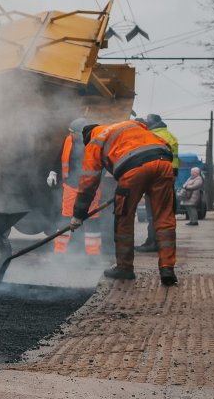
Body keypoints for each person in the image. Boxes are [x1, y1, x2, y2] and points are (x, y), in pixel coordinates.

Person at [71, 117, 177, 285]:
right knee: (164, 218)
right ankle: (167, 268)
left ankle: (125, 268)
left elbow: (88, 182)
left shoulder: (94, 141)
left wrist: (78, 213)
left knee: (124, 219)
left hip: (133, 170)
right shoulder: (129, 125)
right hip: (163, 161)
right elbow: (157, 141)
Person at [49, 117, 102, 257]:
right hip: (70, 186)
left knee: (92, 220)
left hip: (90, 188)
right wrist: (53, 172)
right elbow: (59, 157)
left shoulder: (94, 143)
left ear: (81, 133)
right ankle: (59, 251)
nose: (71, 135)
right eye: (70, 132)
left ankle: (93, 253)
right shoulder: (68, 140)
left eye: (73, 132)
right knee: (66, 218)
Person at [137, 114, 179, 252]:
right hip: (168, 177)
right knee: (164, 212)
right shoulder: (169, 135)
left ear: (152, 123)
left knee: (153, 212)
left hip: (156, 178)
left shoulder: (152, 136)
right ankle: (160, 243)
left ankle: (154, 243)